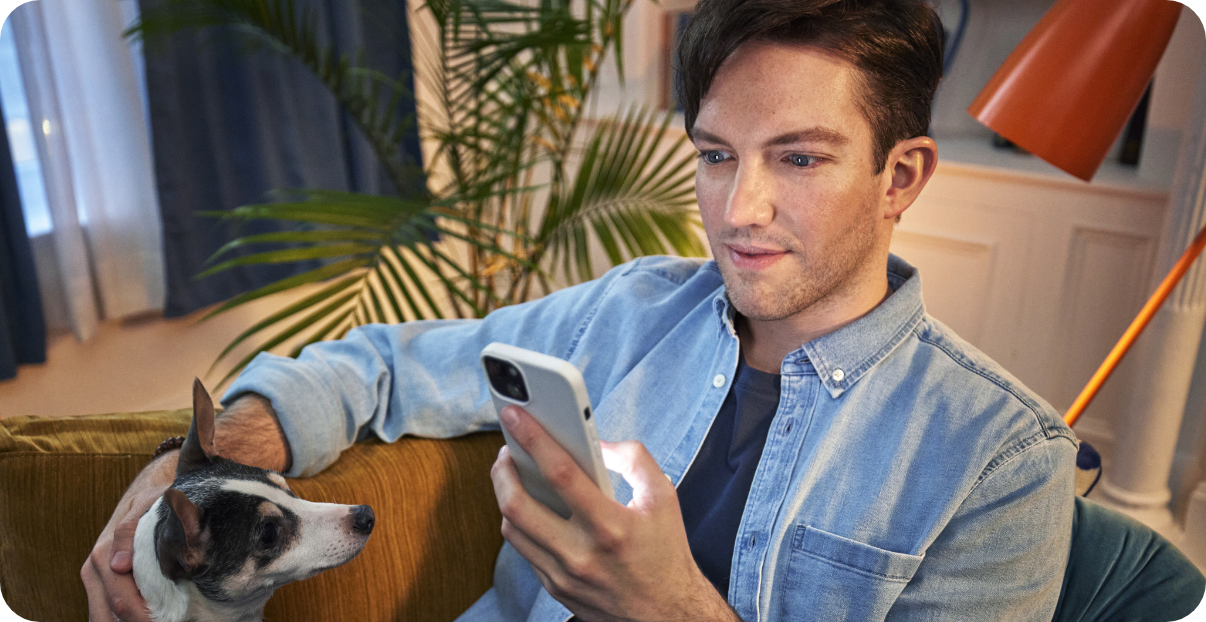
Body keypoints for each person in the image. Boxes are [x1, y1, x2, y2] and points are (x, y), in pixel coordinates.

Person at [83, 0, 1078, 619]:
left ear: (901, 175)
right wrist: (206, 453)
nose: (741, 211)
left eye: (801, 158)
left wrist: (667, 608)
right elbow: (386, 365)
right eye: (717, 154)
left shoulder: (1001, 462)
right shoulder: (630, 310)